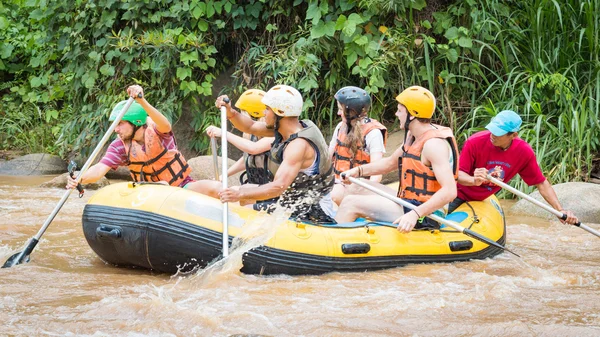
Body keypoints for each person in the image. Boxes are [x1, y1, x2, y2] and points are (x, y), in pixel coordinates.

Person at [335, 86, 458, 233]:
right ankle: (345, 226)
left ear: (412, 115)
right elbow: (390, 163)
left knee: (351, 202)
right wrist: (358, 171)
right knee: (355, 186)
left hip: (426, 214)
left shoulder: (433, 145)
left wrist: (415, 214)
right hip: (409, 201)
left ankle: (332, 241)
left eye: (400, 110)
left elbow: (450, 191)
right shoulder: (413, 136)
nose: (396, 114)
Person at [215, 85, 336, 223]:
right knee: (246, 190)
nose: (264, 113)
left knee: (243, 213)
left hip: (312, 207)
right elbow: (250, 127)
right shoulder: (290, 127)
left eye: (267, 109)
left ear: (280, 112)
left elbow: (278, 186)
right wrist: (230, 112)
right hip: (294, 197)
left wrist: (239, 194)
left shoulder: (298, 145)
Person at [448, 110, 579, 224]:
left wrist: (559, 210)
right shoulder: (475, 141)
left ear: (513, 135)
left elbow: (541, 183)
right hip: (456, 194)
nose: (492, 135)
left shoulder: (523, 151)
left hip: (481, 199)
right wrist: (474, 180)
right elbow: (458, 174)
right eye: (492, 129)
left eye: (498, 133)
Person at [67, 85, 193, 190]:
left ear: (136, 122)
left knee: (212, 188)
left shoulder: (158, 131)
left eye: (120, 124)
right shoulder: (119, 146)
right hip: (150, 193)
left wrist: (142, 101)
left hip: (180, 187)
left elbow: (165, 125)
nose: (116, 130)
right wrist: (80, 178)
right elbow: (100, 168)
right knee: (161, 186)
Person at [187, 89, 275, 202]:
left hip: (269, 190)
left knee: (232, 192)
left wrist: (224, 133)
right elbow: (247, 159)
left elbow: (253, 149)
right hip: (255, 186)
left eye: (242, 111)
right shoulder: (249, 134)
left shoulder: (274, 135)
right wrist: (223, 176)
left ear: (250, 113)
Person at [328, 86, 387, 205]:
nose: (338, 113)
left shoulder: (373, 133)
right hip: (339, 183)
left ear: (352, 112)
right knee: (332, 192)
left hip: (361, 188)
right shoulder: (340, 127)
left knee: (335, 194)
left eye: (341, 109)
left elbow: (377, 172)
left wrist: (366, 195)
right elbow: (328, 158)